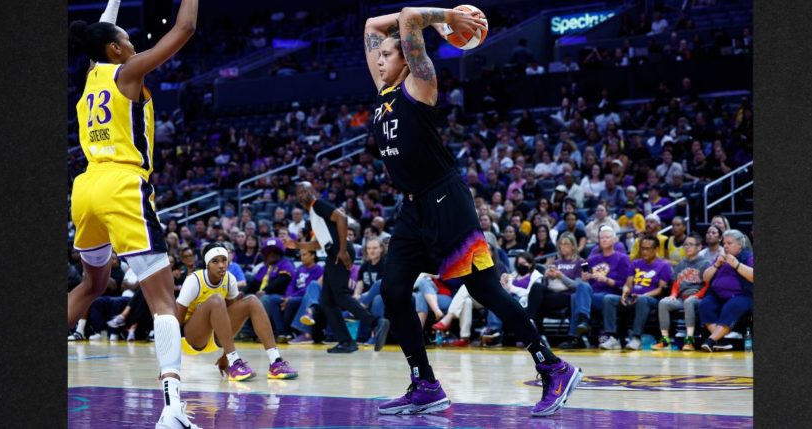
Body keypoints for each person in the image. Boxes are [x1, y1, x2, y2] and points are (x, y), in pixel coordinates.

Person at [364, 7, 581, 417]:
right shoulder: (384, 93)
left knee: (485, 290)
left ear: (406, 60)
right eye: (380, 55)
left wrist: (446, 18)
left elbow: (410, 17)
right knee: (393, 289)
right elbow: (373, 26)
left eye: (389, 55)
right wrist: (399, 32)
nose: (379, 59)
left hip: (446, 199)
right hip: (413, 208)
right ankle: (425, 383)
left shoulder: (419, 85)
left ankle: (553, 367)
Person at [67, 1, 200, 427]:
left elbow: (102, 30)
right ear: (115, 50)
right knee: (163, 303)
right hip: (123, 184)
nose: (132, 42)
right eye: (127, 40)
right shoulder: (127, 73)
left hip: (86, 187)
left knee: (93, 284)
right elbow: (185, 27)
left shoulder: (91, 78)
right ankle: (173, 408)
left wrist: (114, 2)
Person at [284, 182, 391, 353]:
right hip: (332, 251)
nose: (301, 194)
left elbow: (342, 218)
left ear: (313, 191)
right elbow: (320, 243)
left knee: (340, 295)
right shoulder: (313, 213)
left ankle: (376, 322)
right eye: (298, 192)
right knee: (327, 301)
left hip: (338, 250)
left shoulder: (318, 205)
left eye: (304, 190)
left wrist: (341, 250)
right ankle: (346, 341)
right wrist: (297, 244)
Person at [176, 243, 298, 381]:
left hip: (216, 336)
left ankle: (275, 362)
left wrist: (224, 356)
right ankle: (235, 361)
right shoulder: (194, 280)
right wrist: (168, 366)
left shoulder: (230, 279)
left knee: (252, 300)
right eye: (215, 261)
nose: (221, 265)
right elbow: (176, 322)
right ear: (207, 264)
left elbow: (229, 319)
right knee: (216, 300)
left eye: (223, 260)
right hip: (193, 338)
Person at [600, 235, 671, 350]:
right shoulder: (635, 263)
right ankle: (613, 338)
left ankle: (636, 338)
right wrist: (624, 293)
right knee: (608, 298)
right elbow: (628, 284)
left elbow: (661, 289)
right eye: (642, 248)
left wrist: (643, 295)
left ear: (657, 249)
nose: (644, 251)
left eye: (648, 248)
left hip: (651, 299)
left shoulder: (664, 265)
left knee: (642, 300)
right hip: (632, 297)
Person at [653, 233, 710, 351]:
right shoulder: (681, 263)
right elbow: (676, 283)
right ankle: (665, 339)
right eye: (685, 245)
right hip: (682, 297)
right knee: (663, 302)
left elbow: (707, 286)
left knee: (689, 302)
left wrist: (697, 295)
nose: (687, 247)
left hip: (699, 298)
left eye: (691, 244)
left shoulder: (705, 264)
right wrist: (673, 295)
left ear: (699, 247)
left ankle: (689, 339)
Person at [699, 230, 754, 352]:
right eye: (725, 243)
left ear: (740, 245)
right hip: (717, 295)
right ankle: (721, 341)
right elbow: (705, 278)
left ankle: (711, 340)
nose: (726, 246)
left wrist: (737, 265)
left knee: (732, 306)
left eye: (729, 243)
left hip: (742, 295)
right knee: (705, 305)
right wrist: (716, 265)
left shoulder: (748, 257)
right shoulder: (721, 258)